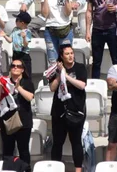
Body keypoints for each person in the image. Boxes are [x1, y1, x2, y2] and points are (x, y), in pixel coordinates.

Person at [49, 43, 87, 172]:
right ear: (61, 56)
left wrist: (67, 76)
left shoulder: (80, 67)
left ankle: (78, 169)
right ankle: (55, 168)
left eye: (71, 53)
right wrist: (60, 75)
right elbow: (52, 88)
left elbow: (82, 85)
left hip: (76, 110)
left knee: (76, 142)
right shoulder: (55, 69)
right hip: (59, 111)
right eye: (67, 54)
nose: (70, 56)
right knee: (57, 143)